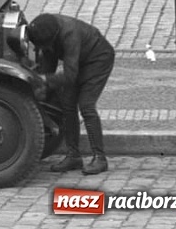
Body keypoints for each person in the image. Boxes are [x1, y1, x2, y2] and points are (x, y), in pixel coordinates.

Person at [26, 14, 115, 175]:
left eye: (45, 46)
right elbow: (48, 63)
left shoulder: (70, 35)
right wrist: (42, 82)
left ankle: (100, 158)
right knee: (67, 104)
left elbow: (70, 76)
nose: (43, 49)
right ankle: (74, 156)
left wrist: (45, 79)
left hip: (99, 59)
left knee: (86, 105)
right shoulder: (44, 29)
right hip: (78, 61)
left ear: (52, 39)